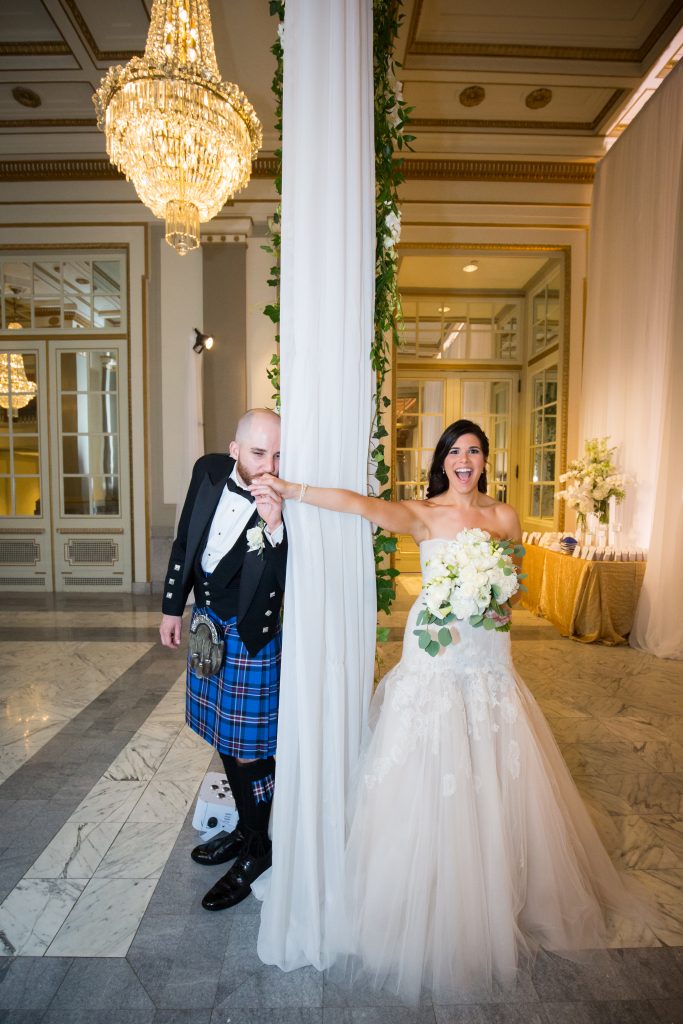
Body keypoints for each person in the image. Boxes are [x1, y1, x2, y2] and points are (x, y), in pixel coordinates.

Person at [250, 419, 646, 1002]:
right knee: (429, 770)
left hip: (487, 660)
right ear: (442, 461)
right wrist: (293, 489)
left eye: (475, 451)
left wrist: (498, 597)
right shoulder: (423, 513)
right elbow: (360, 506)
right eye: (455, 451)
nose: (465, 459)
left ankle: (498, 891)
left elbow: (514, 587)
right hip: (435, 661)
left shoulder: (505, 517)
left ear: (486, 460)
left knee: (495, 770)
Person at [159, 408, 287, 911]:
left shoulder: (287, 495)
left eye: (279, 455)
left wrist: (275, 526)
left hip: (252, 636)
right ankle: (247, 831)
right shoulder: (208, 470)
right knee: (222, 736)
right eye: (258, 453)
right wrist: (174, 606)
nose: (269, 465)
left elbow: (288, 576)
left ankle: (258, 848)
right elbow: (186, 542)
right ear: (234, 450)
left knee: (251, 748)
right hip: (207, 626)